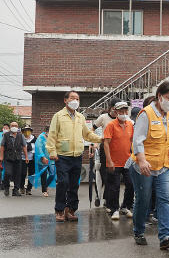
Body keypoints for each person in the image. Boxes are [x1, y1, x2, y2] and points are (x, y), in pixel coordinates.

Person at [128, 81, 169, 248]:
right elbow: (137, 139)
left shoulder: (168, 114)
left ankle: (165, 237)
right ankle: (139, 232)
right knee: (143, 200)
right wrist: (141, 160)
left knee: (165, 199)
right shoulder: (145, 113)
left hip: (164, 165)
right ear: (160, 96)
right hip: (144, 166)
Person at [46, 90, 103, 222]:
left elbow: (87, 135)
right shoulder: (58, 116)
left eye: (77, 98)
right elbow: (52, 135)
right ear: (65, 100)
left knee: (73, 184)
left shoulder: (80, 117)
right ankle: (59, 209)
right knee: (63, 182)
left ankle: (70, 209)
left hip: (77, 155)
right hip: (62, 155)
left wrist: (101, 139)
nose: (75, 101)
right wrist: (52, 152)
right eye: (72, 98)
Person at [104, 101, 135, 220]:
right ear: (115, 112)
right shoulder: (111, 125)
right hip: (114, 161)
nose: (124, 113)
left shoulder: (130, 125)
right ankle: (114, 209)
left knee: (131, 184)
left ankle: (125, 206)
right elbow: (106, 144)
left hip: (128, 161)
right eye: (121, 111)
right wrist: (109, 160)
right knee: (114, 186)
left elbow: (132, 142)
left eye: (125, 111)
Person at [93, 97, 121, 209]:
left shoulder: (121, 118)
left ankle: (108, 199)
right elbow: (92, 129)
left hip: (118, 150)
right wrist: (95, 141)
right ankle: (105, 199)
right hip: (105, 148)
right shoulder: (103, 118)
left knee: (114, 176)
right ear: (112, 108)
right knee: (106, 175)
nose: (118, 111)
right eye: (116, 108)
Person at [0, 121, 29, 197]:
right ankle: (6, 187)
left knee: (18, 174)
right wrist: (1, 156)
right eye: (12, 125)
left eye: (15, 126)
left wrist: (26, 157)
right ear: (10, 127)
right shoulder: (5, 135)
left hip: (18, 157)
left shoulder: (21, 136)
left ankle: (16, 190)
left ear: (18, 127)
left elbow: (24, 146)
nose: (14, 127)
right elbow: (2, 146)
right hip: (8, 158)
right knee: (8, 173)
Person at [31, 125, 56, 196]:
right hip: (43, 160)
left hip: (51, 160)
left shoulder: (53, 138)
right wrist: (42, 157)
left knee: (52, 174)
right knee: (44, 174)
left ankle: (46, 185)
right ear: (46, 131)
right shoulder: (41, 137)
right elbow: (39, 147)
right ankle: (44, 191)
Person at [20, 126, 36, 195]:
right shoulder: (21, 138)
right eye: (25, 130)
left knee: (31, 174)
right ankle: (21, 187)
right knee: (23, 173)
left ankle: (29, 188)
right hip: (22, 158)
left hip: (32, 158)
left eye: (28, 130)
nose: (27, 132)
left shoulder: (34, 139)